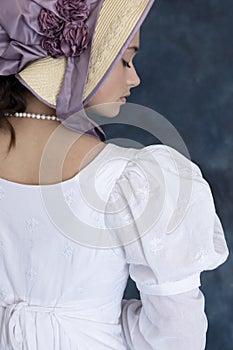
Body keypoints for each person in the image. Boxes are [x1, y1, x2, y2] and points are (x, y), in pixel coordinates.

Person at [0, 0, 228, 349]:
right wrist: (92, 317)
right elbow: (176, 335)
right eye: (124, 59)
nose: (133, 77)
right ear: (75, 61)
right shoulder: (130, 179)